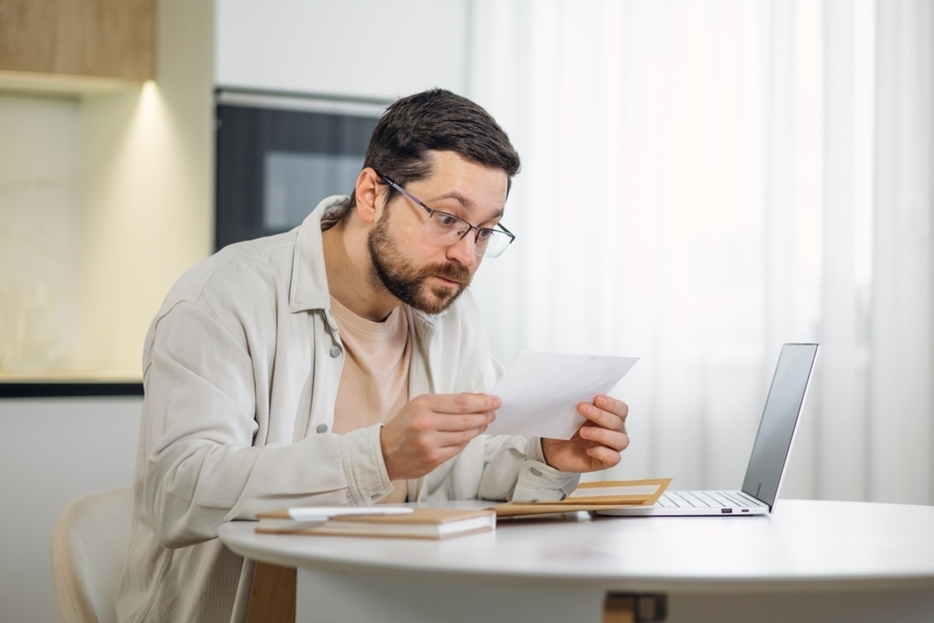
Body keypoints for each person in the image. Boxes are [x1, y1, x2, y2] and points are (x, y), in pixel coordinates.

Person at [115, 88, 630, 623]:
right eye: (448, 219)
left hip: (394, 605)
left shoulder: (451, 313)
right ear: (370, 194)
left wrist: (548, 459)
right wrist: (379, 456)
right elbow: (179, 492)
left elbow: (470, 479)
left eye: (484, 231)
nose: (466, 255)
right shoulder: (221, 300)